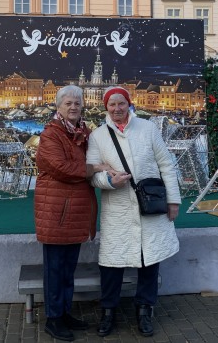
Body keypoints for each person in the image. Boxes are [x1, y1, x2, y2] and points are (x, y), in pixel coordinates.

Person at [87, 86, 181, 337]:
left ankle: (144, 310)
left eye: (121, 103)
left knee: (149, 261)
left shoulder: (148, 129)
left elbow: (166, 165)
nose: (117, 109)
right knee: (111, 263)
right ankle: (108, 311)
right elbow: (93, 174)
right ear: (105, 107)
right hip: (117, 209)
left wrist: (173, 201)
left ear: (129, 104)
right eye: (112, 105)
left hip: (150, 206)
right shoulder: (98, 136)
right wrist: (109, 182)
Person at [34, 85, 113, 342]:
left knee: (68, 268)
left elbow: (98, 152)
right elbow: (60, 167)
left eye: (77, 103)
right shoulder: (51, 135)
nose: (73, 107)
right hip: (57, 211)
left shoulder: (85, 132)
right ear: (58, 107)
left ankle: (64, 312)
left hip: (74, 210)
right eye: (68, 103)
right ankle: (53, 319)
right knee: (55, 269)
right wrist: (94, 167)